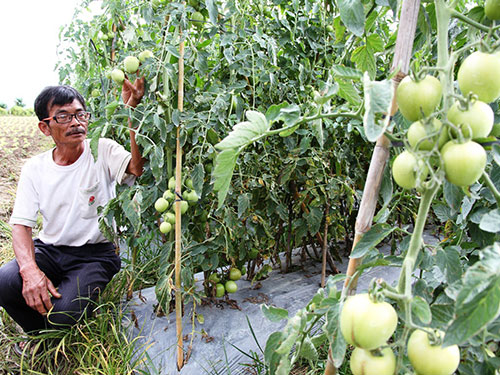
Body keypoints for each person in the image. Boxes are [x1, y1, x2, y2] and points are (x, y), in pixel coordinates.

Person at [0, 77, 145, 335]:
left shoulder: (102, 149)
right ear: (45, 128)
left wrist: (132, 110)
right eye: (64, 117)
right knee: (6, 281)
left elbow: (136, 167)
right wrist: (31, 271)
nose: (76, 123)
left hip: (96, 254)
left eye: (80, 115)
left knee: (64, 313)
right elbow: (21, 226)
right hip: (50, 249)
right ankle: (40, 336)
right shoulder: (35, 169)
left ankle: (54, 329)